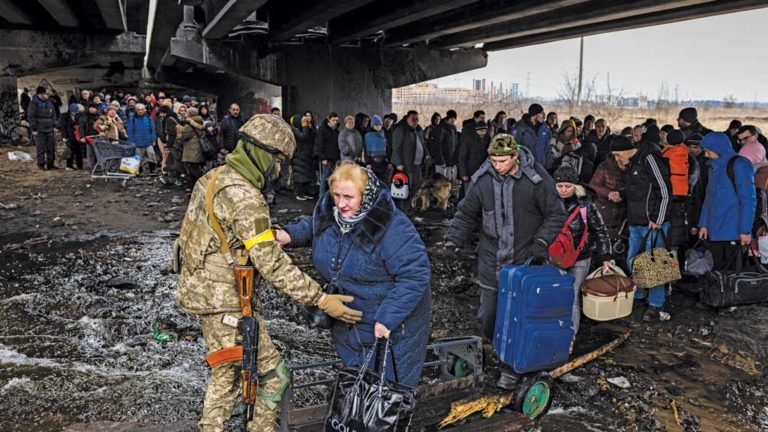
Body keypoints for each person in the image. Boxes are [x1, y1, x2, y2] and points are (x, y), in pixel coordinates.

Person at [176, 115, 363, 432]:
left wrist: (256, 239)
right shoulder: (246, 197)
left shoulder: (214, 178)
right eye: (277, 159)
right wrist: (320, 298)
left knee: (232, 373)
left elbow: (209, 235)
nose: (279, 169)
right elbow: (271, 264)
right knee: (271, 375)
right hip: (226, 300)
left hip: (204, 292)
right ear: (261, 153)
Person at [277, 163, 432, 387]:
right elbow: (315, 227)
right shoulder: (330, 214)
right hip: (348, 317)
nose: (341, 204)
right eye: (336, 195)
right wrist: (289, 235)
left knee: (385, 390)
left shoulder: (392, 227)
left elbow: (415, 275)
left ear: (365, 195)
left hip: (389, 320)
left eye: (349, 197)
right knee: (356, 380)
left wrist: (387, 318)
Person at [446, 134, 565, 389]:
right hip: (491, 261)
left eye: (502, 160)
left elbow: (556, 214)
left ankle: (510, 368)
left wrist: (542, 243)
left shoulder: (536, 181)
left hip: (523, 261)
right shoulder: (483, 181)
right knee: (488, 315)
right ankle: (494, 350)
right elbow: (466, 213)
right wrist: (452, 241)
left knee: (517, 317)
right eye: (493, 160)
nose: (496, 165)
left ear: (515, 157)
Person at [610, 135, 671, 322]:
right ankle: (640, 292)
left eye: (618, 154)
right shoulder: (630, 165)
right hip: (635, 222)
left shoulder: (649, 159)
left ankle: (656, 304)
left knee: (654, 264)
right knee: (633, 261)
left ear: (628, 150)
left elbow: (664, 190)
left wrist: (658, 219)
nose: (617, 158)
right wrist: (621, 194)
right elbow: (637, 189)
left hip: (653, 223)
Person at [552, 166, 612, 335]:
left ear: (575, 186)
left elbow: (600, 229)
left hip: (580, 257)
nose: (564, 190)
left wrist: (605, 256)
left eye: (567, 186)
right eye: (560, 186)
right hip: (555, 257)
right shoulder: (547, 202)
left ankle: (569, 337)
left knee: (571, 298)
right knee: (555, 295)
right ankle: (554, 333)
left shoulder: (586, 205)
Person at [698, 133, 757, 270]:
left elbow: (748, 200)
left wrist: (745, 230)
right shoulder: (713, 167)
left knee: (732, 273)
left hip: (733, 230)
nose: (705, 154)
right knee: (717, 274)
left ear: (717, 148)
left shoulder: (740, 164)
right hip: (714, 231)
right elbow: (709, 198)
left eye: (707, 151)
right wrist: (704, 224)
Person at [589, 142, 627, 241]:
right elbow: (593, 185)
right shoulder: (605, 167)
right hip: (604, 210)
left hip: (624, 214)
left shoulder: (632, 166)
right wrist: (609, 193)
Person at [392, 110, 426, 201]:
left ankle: (411, 206)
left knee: (417, 186)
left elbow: (423, 144)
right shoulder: (401, 129)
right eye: (413, 119)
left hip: (417, 165)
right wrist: (398, 163)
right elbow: (396, 148)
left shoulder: (418, 130)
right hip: (406, 165)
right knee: (405, 187)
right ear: (407, 119)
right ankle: (404, 209)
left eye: (417, 119)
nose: (415, 121)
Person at [551, 120, 595, 184]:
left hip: (573, 167)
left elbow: (579, 151)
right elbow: (551, 156)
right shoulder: (554, 140)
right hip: (557, 167)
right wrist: (562, 153)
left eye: (572, 131)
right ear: (563, 130)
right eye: (568, 131)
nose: (570, 133)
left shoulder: (574, 140)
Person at [511, 103, 551, 169]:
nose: (544, 116)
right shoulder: (520, 128)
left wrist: (549, 166)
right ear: (535, 114)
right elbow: (515, 148)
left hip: (542, 167)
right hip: (526, 167)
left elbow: (547, 148)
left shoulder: (544, 128)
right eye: (542, 113)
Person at [27, 86, 58, 170]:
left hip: (50, 128)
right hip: (39, 129)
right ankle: (41, 164)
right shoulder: (33, 103)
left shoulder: (49, 102)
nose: (45, 95)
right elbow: (31, 116)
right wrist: (34, 129)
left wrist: (55, 125)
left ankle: (50, 164)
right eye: (43, 94)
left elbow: (54, 114)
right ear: (39, 94)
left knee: (51, 147)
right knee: (40, 148)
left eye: (45, 94)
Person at [290, 111, 317, 200]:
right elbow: (303, 137)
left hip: (306, 154)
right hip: (299, 155)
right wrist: (305, 127)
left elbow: (312, 136)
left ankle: (305, 192)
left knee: (306, 175)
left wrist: (310, 127)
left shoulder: (304, 128)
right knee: (300, 175)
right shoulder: (295, 130)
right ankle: (299, 193)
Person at [457, 121, 489, 195]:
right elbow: (462, 157)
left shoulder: (487, 139)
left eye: (485, 131)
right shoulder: (468, 139)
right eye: (481, 131)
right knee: (469, 193)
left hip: (482, 171)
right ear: (476, 130)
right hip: (470, 171)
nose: (483, 133)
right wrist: (463, 173)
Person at [125, 103, 158, 174]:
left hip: (148, 141)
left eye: (142, 109)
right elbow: (130, 131)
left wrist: (153, 139)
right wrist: (131, 142)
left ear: (144, 110)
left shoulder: (149, 118)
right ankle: (139, 171)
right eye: (138, 110)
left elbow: (153, 129)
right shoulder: (132, 119)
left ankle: (153, 170)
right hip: (137, 142)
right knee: (138, 157)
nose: (140, 111)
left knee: (151, 154)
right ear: (136, 110)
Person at [315, 112, 340, 198]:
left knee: (332, 178)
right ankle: (321, 196)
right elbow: (319, 144)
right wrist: (323, 158)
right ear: (328, 119)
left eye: (336, 120)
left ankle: (329, 196)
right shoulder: (322, 130)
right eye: (333, 120)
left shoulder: (336, 130)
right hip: (326, 158)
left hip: (334, 157)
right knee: (324, 178)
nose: (335, 122)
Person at [179, 107, 206, 185]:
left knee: (192, 169)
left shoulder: (189, 125)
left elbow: (184, 137)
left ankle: (197, 184)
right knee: (196, 168)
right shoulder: (200, 122)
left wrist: (179, 136)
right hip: (198, 149)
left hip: (191, 151)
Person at [58, 103, 85, 170]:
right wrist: (64, 136)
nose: (74, 113)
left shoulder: (80, 115)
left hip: (77, 135)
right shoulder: (64, 116)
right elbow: (63, 127)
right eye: (73, 112)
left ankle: (80, 165)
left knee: (78, 151)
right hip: (69, 135)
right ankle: (69, 165)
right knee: (70, 151)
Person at [364, 115, 389, 183]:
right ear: (372, 125)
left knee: (384, 182)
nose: (378, 126)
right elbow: (366, 151)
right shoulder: (368, 136)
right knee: (374, 182)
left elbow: (388, 148)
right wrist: (368, 163)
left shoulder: (385, 134)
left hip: (384, 163)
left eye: (380, 124)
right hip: (373, 163)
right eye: (376, 124)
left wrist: (389, 161)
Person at [437, 109, 459, 182]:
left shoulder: (453, 127)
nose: (453, 120)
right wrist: (441, 159)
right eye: (451, 118)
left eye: (454, 119)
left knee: (451, 179)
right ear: (448, 118)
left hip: (451, 158)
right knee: (443, 180)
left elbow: (455, 143)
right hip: (444, 158)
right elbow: (438, 145)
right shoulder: (442, 128)